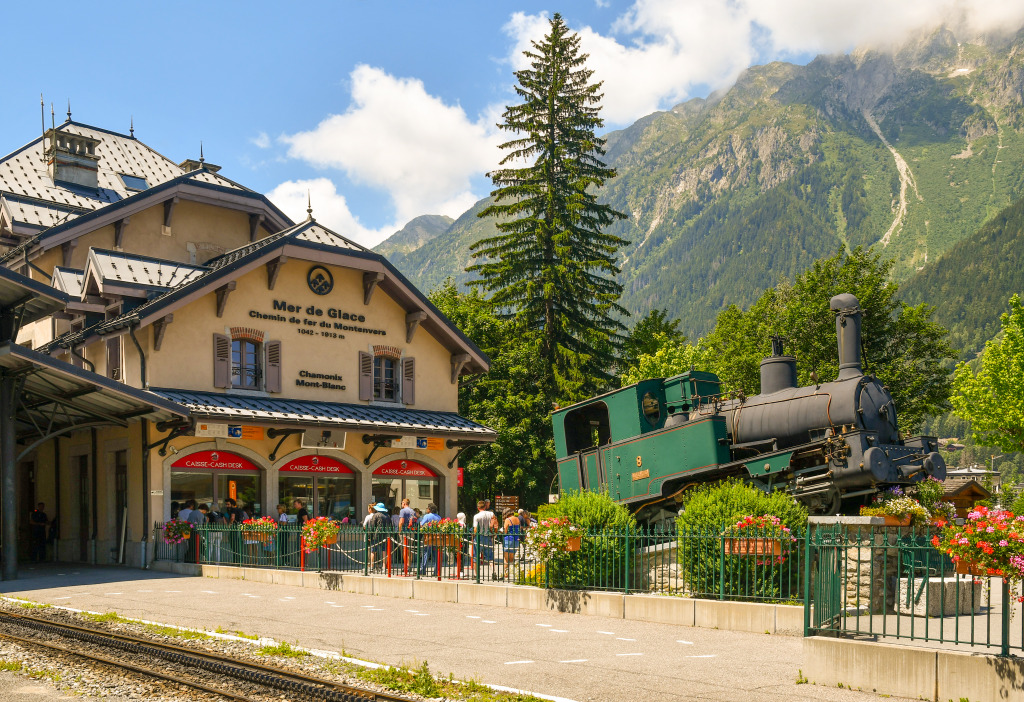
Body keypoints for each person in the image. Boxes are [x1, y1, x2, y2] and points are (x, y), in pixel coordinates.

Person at [472, 500, 498, 574]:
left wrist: (473, 535)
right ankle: (493, 572)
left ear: (478, 508)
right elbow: (495, 524)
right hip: (488, 536)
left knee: (476, 556)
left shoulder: (476, 516)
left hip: (479, 537)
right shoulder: (491, 514)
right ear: (485, 507)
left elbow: (475, 529)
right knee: (490, 557)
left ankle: (476, 574)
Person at [367, 502, 391, 572]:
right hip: (385, 535)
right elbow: (391, 526)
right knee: (384, 551)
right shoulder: (387, 516)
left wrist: (369, 536)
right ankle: (384, 567)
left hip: (376, 535)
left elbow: (372, 526)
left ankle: (372, 567)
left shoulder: (376, 515)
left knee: (373, 551)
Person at [418, 503, 441, 574]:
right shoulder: (438, 517)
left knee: (425, 554)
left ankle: (423, 570)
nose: (427, 509)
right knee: (435, 555)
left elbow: (421, 525)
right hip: (436, 538)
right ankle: (436, 571)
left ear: (430, 509)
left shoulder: (427, 516)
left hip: (428, 537)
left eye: (427, 508)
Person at [501, 508, 522, 579]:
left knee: (506, 559)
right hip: (516, 540)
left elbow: (505, 531)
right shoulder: (517, 519)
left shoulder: (508, 520)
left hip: (508, 539)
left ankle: (506, 574)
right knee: (512, 558)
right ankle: (514, 573)